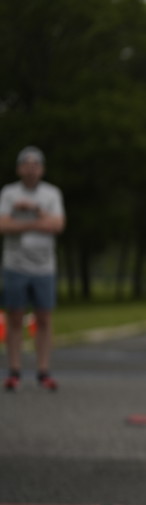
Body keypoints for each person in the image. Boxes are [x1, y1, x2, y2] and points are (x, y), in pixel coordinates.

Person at [0, 146, 66, 392]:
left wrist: (33, 212)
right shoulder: (9, 193)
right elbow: (3, 225)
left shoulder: (51, 193)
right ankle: (14, 371)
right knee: (15, 317)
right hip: (15, 264)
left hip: (44, 267)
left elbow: (57, 225)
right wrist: (39, 223)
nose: (31, 169)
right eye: (26, 165)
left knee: (44, 318)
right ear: (19, 168)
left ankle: (43, 371)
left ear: (42, 169)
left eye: (35, 164)